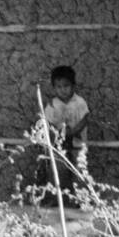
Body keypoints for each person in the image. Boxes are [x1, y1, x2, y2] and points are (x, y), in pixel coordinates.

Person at [36, 64, 90, 202]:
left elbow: (84, 120)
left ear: (73, 85)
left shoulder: (79, 102)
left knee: (79, 173)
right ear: (54, 88)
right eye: (59, 87)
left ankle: (82, 201)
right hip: (59, 147)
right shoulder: (53, 104)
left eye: (66, 86)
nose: (63, 90)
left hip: (78, 146)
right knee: (58, 172)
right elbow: (47, 123)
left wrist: (72, 132)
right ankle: (57, 200)